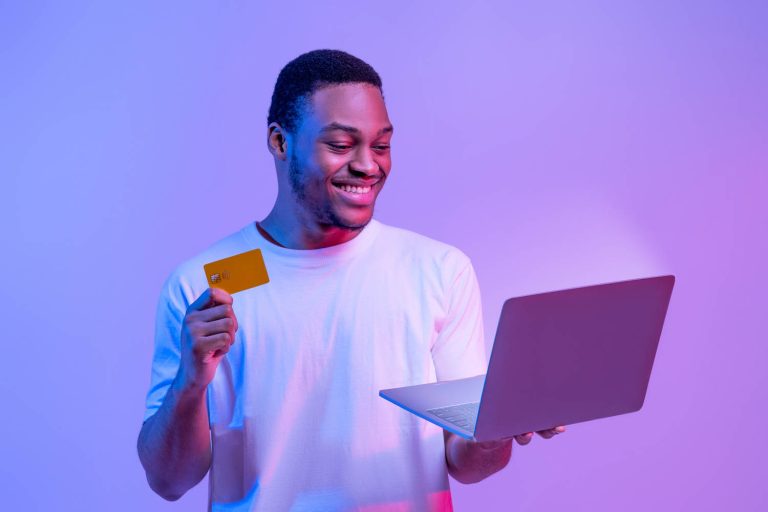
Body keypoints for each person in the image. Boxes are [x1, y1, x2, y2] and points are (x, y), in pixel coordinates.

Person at [137, 49, 565, 511]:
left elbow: (464, 462)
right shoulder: (202, 286)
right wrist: (190, 381)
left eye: (381, 146)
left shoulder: (439, 270)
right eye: (341, 145)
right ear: (280, 143)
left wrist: (495, 430)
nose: (368, 165)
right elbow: (168, 481)